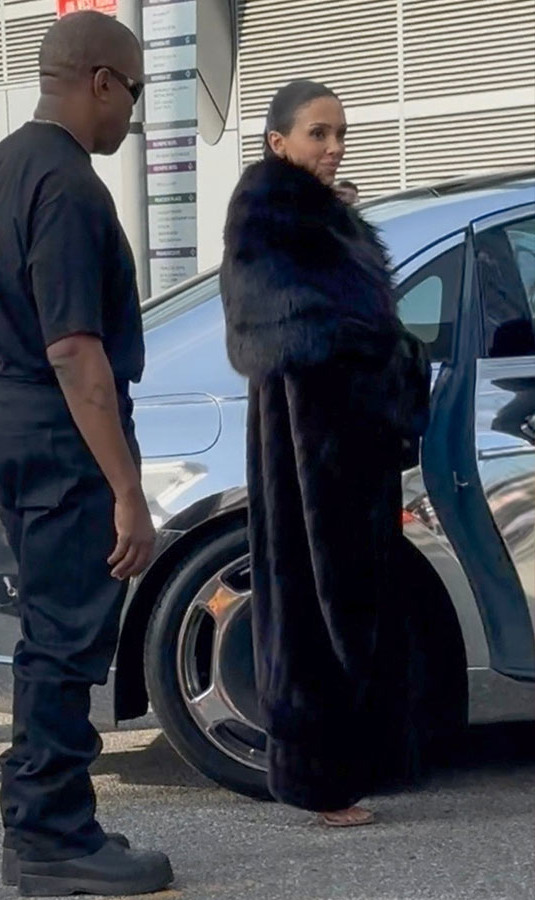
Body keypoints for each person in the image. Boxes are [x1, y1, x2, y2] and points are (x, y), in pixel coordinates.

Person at [0, 11, 173, 897]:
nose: (135, 112)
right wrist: (129, 490)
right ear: (99, 81)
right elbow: (76, 349)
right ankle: (53, 839)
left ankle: (44, 827)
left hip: (4, 420)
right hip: (55, 432)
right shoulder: (72, 187)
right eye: (137, 91)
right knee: (67, 639)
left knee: (48, 633)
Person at [220, 80, 463, 826]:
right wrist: (390, 365)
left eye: (340, 134)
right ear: (277, 143)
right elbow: (303, 339)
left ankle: (351, 765)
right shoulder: (272, 221)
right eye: (318, 134)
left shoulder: (326, 221)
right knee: (312, 602)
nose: (332, 148)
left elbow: (361, 331)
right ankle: (320, 780)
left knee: (351, 601)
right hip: (307, 442)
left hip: (344, 443)